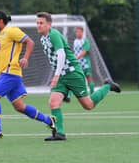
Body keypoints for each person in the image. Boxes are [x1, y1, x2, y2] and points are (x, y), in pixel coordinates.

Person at [36, 12, 121, 141]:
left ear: (49, 24)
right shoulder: (43, 38)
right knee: (53, 103)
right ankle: (60, 133)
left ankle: (107, 86)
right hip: (62, 76)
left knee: (88, 105)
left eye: (41, 23)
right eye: (37, 23)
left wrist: (56, 76)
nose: (38, 25)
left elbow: (62, 55)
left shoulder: (54, 35)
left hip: (73, 73)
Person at [0, 11, 56, 141]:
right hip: (8, 74)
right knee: (20, 107)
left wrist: (25, 58)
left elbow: (30, 42)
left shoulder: (12, 30)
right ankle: (49, 120)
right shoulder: (0, 37)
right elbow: (1, 56)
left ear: (0, 21)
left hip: (10, 72)